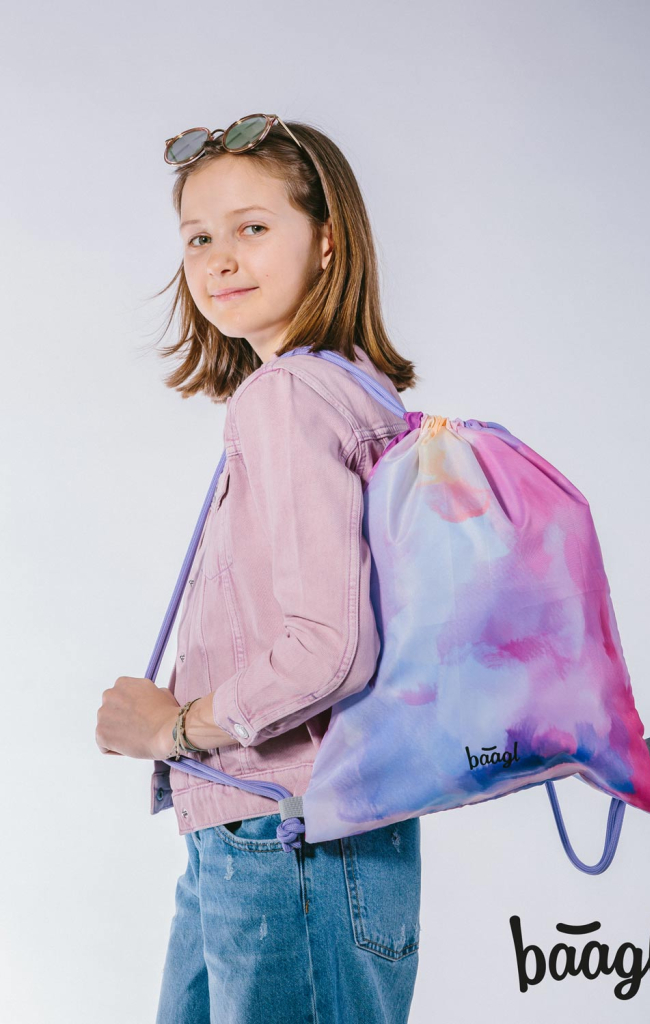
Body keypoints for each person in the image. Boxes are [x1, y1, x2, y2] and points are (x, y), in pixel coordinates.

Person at [95, 114, 423, 1024]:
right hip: (280, 833)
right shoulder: (356, 389)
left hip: (283, 837)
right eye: (198, 238)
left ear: (327, 240)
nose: (220, 260)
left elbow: (331, 648)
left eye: (253, 226)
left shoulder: (287, 396)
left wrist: (173, 728)